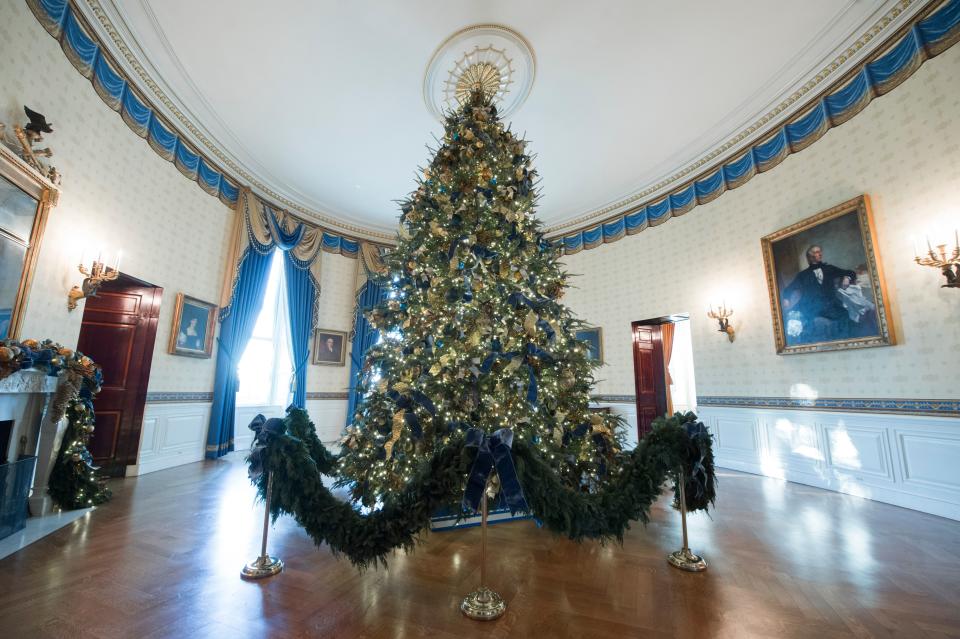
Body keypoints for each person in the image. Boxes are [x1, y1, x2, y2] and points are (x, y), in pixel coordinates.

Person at [781, 245, 858, 344]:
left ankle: (845, 343)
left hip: (830, 305)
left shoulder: (829, 268)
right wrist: (786, 299)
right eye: (817, 252)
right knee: (797, 322)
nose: (820, 254)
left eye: (820, 251)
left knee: (844, 314)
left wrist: (847, 278)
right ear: (810, 257)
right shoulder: (803, 275)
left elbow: (850, 272)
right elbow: (789, 288)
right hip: (810, 306)